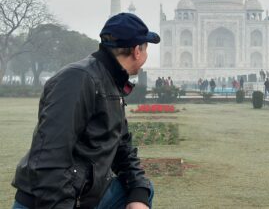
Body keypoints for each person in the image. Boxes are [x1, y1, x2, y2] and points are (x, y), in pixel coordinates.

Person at [11, 13, 159, 209]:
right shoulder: (78, 79)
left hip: (84, 195)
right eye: (146, 48)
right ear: (136, 51)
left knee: (142, 190)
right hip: (48, 201)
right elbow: (50, 159)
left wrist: (138, 193)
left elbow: (121, 146)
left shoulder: (109, 81)